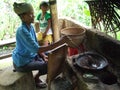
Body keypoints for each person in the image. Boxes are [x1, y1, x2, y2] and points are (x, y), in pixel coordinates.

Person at [12, 2, 69, 88]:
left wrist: (42, 56)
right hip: (22, 62)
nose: (33, 16)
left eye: (33, 14)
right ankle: (36, 79)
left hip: (30, 55)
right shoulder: (22, 31)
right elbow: (37, 49)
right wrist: (59, 42)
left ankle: (37, 75)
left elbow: (36, 45)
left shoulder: (30, 27)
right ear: (23, 17)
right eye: (31, 14)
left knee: (50, 55)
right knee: (46, 66)